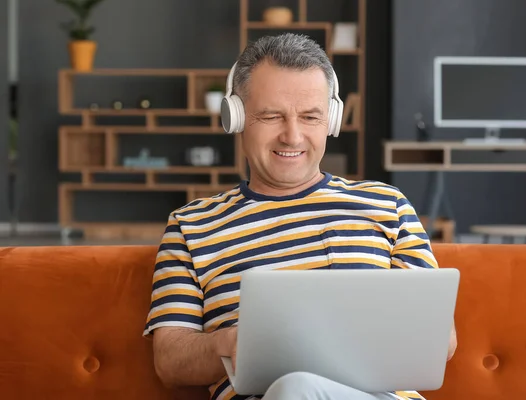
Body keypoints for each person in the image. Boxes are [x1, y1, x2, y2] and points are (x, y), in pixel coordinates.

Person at [143, 33, 457, 400]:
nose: (292, 136)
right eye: (272, 115)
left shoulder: (388, 204)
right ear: (237, 117)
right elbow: (169, 361)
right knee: (295, 389)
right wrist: (228, 344)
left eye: (310, 117)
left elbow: (441, 340)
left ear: (331, 120)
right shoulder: (191, 226)